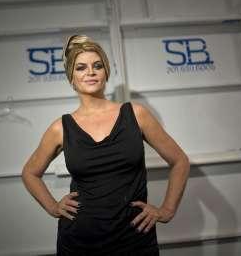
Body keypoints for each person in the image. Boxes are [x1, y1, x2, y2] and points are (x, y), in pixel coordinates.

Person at [21, 34, 190, 255]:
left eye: (97, 66)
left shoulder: (136, 115)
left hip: (134, 238)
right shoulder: (60, 128)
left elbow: (180, 161)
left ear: (106, 72)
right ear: (71, 77)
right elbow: (30, 173)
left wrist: (167, 210)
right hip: (79, 240)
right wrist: (53, 207)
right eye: (81, 67)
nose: (90, 72)